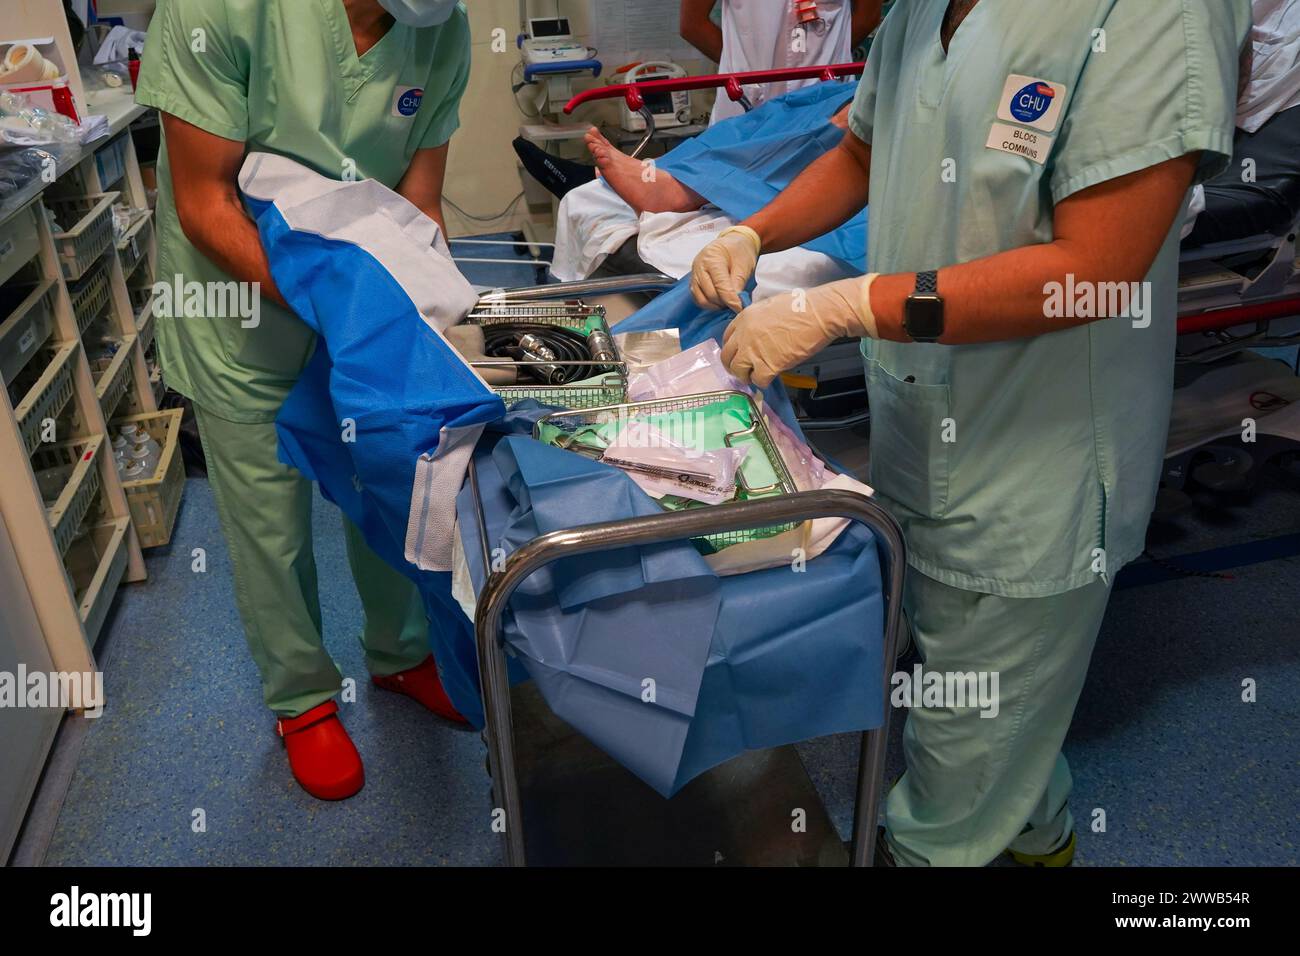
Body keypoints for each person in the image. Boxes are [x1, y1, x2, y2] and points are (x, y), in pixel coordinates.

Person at [691, 0, 1249, 865]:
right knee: (991, 713)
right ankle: (1035, 833)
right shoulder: (922, 11)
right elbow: (863, 152)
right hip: (927, 423)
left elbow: (1098, 270)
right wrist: (753, 230)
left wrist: (848, 304)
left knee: (953, 783)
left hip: (1040, 458)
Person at [134, 0, 471, 802]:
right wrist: (332, 301)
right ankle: (303, 699)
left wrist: (435, 313)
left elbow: (420, 206)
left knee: (390, 481)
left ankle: (401, 653)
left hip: (356, 308)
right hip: (239, 313)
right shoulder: (220, 12)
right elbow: (205, 202)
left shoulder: (442, 27)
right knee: (269, 523)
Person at [680, 0, 882, 123]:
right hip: (746, 111)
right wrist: (746, 70)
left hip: (826, 108)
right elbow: (693, 25)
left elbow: (867, 16)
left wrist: (832, 59)